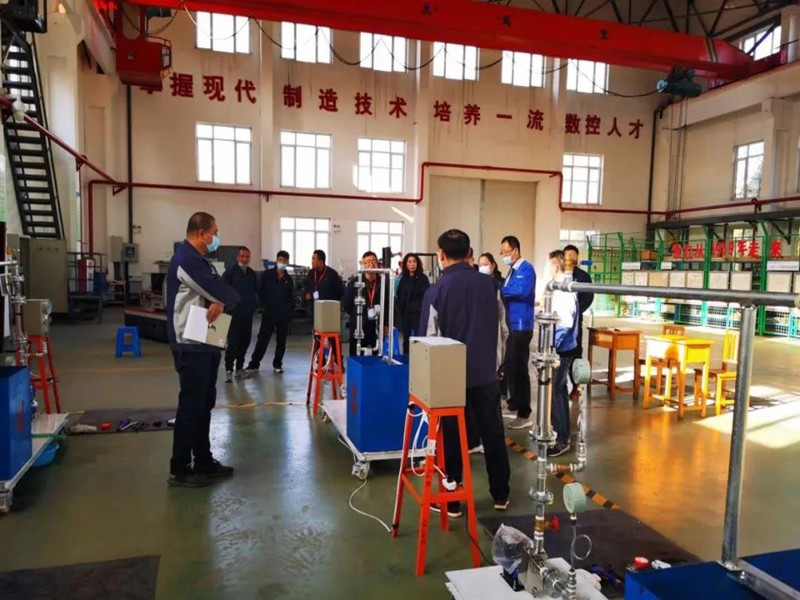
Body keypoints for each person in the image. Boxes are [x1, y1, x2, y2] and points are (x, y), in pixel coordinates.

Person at [420, 229, 511, 518]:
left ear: (441, 255)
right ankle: (501, 494)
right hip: (485, 375)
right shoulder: (491, 286)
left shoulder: (436, 291)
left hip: (450, 379)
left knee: (452, 436)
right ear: (470, 254)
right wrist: (495, 365)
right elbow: (503, 331)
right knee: (492, 433)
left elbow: (428, 341)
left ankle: (452, 498)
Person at [166, 212, 240, 487]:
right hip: (190, 343)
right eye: (214, 232)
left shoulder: (201, 261)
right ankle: (180, 468)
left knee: (204, 403)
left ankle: (203, 460)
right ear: (201, 233)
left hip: (206, 339)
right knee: (191, 405)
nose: (216, 237)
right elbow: (225, 292)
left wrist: (220, 300)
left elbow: (219, 292)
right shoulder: (185, 260)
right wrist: (223, 299)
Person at [499, 235, 536, 430]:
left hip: (522, 325)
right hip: (512, 325)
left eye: (506, 252)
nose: (504, 255)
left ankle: (524, 413)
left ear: (515, 250)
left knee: (520, 370)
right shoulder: (512, 271)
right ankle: (514, 402)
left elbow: (521, 291)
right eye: (502, 252)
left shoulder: (526, 269)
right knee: (511, 367)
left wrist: (501, 289)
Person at [545, 250, 580, 457]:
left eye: (548, 264)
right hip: (559, 346)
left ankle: (562, 438)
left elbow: (565, 322)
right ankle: (558, 432)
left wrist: (553, 348)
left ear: (556, 266)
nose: (546, 268)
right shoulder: (557, 287)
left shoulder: (564, 290)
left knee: (557, 392)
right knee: (555, 391)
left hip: (562, 349)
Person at [247, 250, 294, 374]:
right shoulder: (267, 275)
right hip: (269, 312)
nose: (282, 262)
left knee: (281, 340)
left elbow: (290, 297)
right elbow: (260, 291)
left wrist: (288, 310)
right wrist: (265, 305)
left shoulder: (288, 279)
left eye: (284, 261)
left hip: (283, 314)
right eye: (280, 260)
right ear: (277, 260)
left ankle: (278, 364)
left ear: (287, 262)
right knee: (263, 338)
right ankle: (254, 363)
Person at [222, 247, 258, 383]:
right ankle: (229, 369)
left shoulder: (252, 274)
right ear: (238, 257)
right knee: (232, 343)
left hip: (247, 315)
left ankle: (239, 368)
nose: (245, 259)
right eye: (242, 256)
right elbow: (222, 290)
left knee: (245, 342)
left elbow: (255, 291)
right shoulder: (230, 273)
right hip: (233, 315)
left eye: (247, 256)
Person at [563, 244, 594, 399]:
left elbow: (588, 297)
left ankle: (576, 386)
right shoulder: (560, 275)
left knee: (575, 352)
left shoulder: (583, 277)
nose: (571, 258)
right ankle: (560, 384)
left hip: (575, 322)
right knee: (560, 354)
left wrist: (577, 310)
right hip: (560, 322)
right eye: (568, 255)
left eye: (573, 256)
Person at [342, 251, 387, 357]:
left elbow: (388, 304)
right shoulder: (355, 282)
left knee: (377, 354)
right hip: (359, 324)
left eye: (374, 261)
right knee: (356, 354)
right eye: (368, 261)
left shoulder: (383, 282)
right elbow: (346, 303)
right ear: (363, 264)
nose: (371, 264)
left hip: (377, 324)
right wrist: (357, 314)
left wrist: (386, 324)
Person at [395, 253, 430, 355]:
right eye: (410, 262)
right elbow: (399, 294)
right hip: (406, 313)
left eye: (414, 262)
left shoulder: (423, 278)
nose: (412, 264)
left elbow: (426, 295)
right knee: (405, 338)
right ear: (406, 264)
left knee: (419, 337)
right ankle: (406, 356)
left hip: (418, 313)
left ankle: (420, 357)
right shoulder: (403, 278)